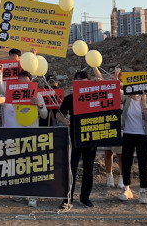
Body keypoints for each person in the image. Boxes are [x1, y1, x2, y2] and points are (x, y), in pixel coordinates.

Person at [0, 66, 47, 208]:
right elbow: (2, 90)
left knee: (33, 166)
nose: (23, 84)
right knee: (19, 165)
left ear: (31, 82)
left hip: (32, 135)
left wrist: (39, 105)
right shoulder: (14, 93)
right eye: (20, 81)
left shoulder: (38, 95)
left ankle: (33, 196)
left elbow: (45, 115)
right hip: (18, 134)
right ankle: (20, 192)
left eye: (26, 82)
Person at [55, 70, 97, 210]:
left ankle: (85, 198)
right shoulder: (69, 98)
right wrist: (64, 121)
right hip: (73, 140)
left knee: (88, 170)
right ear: (74, 83)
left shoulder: (94, 97)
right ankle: (67, 199)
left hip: (90, 139)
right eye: (77, 82)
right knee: (70, 170)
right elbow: (57, 114)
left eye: (83, 83)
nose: (80, 85)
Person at [117, 91, 147, 204]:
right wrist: (117, 76)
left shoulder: (146, 99)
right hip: (128, 133)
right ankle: (127, 188)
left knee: (143, 163)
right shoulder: (126, 99)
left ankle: (142, 191)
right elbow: (115, 95)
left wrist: (143, 102)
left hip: (143, 135)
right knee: (126, 161)